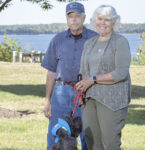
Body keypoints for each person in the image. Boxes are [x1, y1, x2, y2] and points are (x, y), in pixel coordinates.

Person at [41, 2, 98, 150]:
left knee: (88, 136)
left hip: (86, 94)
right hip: (61, 93)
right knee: (56, 135)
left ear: (84, 18)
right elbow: (51, 71)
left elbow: (102, 68)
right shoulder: (58, 39)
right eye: (70, 16)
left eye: (77, 16)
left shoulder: (95, 39)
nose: (73, 19)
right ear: (67, 18)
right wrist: (47, 100)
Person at [76, 5, 131, 150]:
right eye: (100, 18)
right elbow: (83, 71)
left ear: (114, 22)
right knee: (92, 142)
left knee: (110, 143)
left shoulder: (120, 42)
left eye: (107, 19)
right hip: (88, 100)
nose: (103, 23)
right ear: (95, 20)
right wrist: (81, 89)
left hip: (112, 100)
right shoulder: (89, 43)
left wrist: (93, 79)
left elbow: (121, 72)